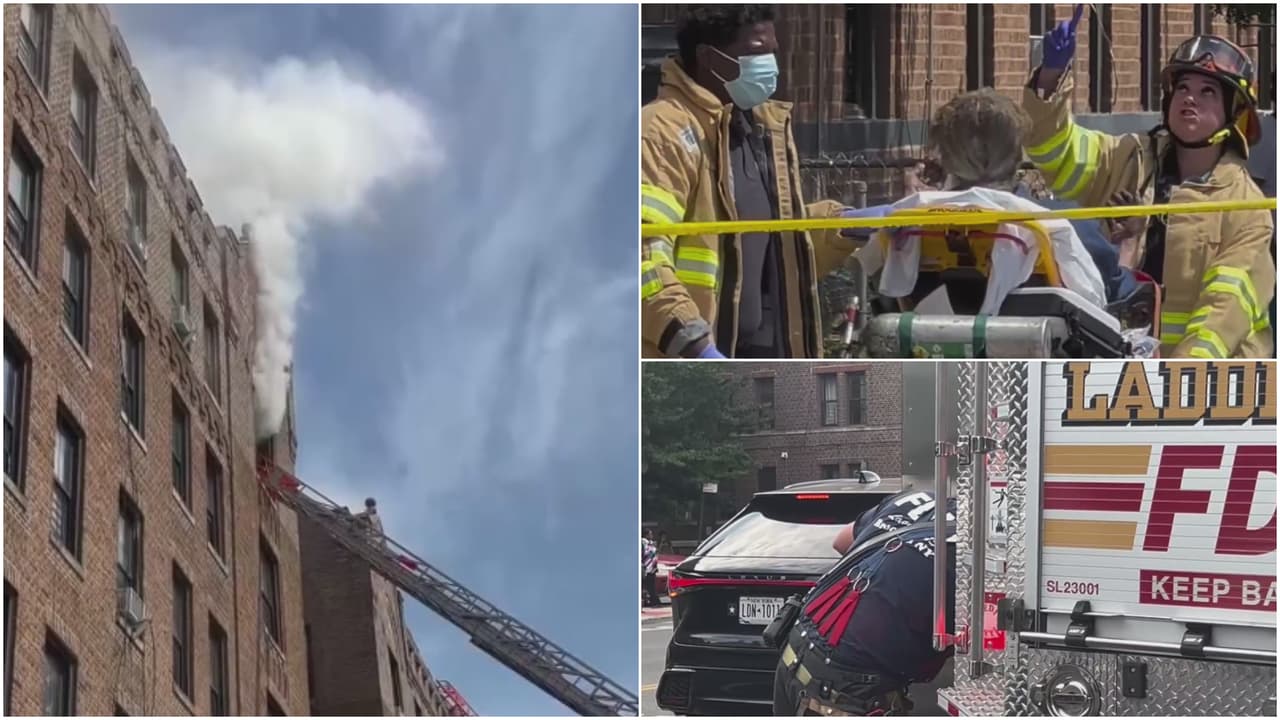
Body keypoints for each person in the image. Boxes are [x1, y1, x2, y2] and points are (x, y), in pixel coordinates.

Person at [1024, 4, 1275, 358]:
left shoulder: (1246, 207)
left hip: (1216, 384)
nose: (1190, 97)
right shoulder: (1129, 158)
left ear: (1235, 113)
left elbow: (1225, 310)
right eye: (1183, 87)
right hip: (1124, 368)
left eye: (1208, 92)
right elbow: (1054, 150)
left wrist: (1180, 379)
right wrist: (1051, 74)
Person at [641, 5, 863, 359]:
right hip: (691, 363)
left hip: (766, 354)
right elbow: (643, 256)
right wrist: (693, 345)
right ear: (708, 58)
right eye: (756, 51)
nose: (771, 63)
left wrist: (850, 226)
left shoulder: (760, 128)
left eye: (772, 50)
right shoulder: (661, 133)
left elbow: (778, 245)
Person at [773, 490, 957, 716]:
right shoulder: (986, 550)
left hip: (796, 652)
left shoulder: (919, 499)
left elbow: (841, 542)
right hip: (846, 691)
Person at [642, 530, 659, 607]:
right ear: (646, 535)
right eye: (650, 534)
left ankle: (652, 601)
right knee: (647, 585)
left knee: (651, 585)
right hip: (646, 568)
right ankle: (651, 601)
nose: (652, 535)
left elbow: (654, 555)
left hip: (652, 568)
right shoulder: (643, 543)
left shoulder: (651, 544)